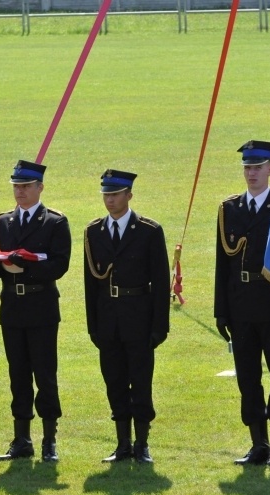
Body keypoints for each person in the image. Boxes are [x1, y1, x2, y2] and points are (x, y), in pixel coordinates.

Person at [0, 160, 71, 463]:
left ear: (40, 187)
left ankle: (49, 440)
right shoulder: (3, 222)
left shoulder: (54, 222)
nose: (20, 191)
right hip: (12, 307)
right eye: (16, 186)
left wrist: (26, 267)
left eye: (26, 186)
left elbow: (59, 265)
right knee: (17, 374)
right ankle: (21, 439)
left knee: (45, 374)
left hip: (41, 305)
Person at [214, 140, 270, 467]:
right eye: (248, 167)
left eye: (258, 167)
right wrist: (221, 311)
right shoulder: (229, 209)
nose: (252, 173)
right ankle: (258, 443)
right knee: (248, 378)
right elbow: (223, 264)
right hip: (241, 306)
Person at [84, 169, 169, 464]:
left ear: (129, 195)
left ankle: (142, 444)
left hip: (139, 318)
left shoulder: (148, 231)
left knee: (141, 383)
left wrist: (160, 326)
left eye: (115, 194)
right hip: (108, 320)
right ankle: (122, 444)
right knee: (115, 382)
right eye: (106, 194)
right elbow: (90, 284)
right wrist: (93, 326)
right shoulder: (94, 232)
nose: (109, 200)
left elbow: (161, 282)